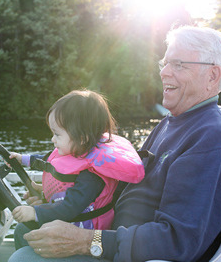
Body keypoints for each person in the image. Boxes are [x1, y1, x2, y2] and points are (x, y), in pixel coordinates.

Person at [7, 26, 221, 262]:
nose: (164, 72)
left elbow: (177, 243)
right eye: (165, 62)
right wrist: (63, 196)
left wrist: (86, 241)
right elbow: (122, 184)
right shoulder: (173, 123)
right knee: (25, 234)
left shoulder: (214, 141)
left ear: (212, 75)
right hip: (123, 252)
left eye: (179, 64)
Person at [9, 90, 146, 248]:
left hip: (83, 232)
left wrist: (35, 212)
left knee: (23, 230)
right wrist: (21, 158)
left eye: (57, 135)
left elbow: (70, 208)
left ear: (82, 138)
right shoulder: (80, 150)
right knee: (22, 229)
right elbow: (48, 160)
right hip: (72, 218)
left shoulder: (93, 175)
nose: (52, 139)